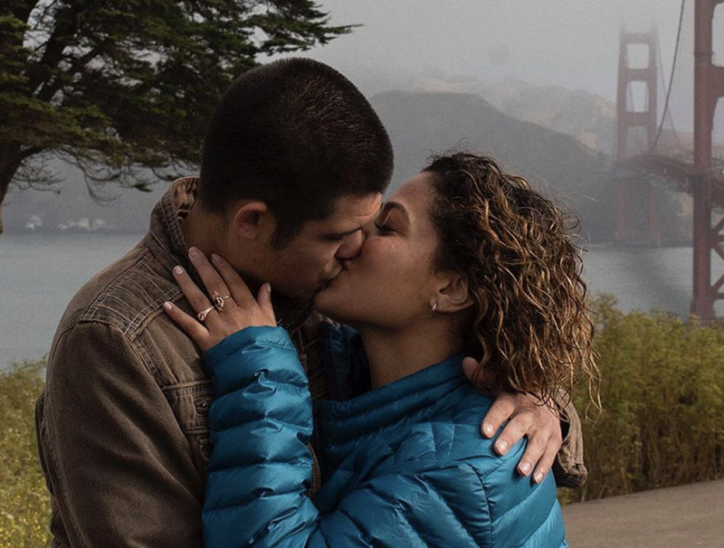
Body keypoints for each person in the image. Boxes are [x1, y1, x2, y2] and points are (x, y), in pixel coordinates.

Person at [36, 59, 582, 548]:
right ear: (253, 222)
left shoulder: (324, 301)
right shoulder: (117, 337)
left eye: (378, 227)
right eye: (339, 234)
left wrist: (539, 399)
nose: (356, 247)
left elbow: (459, 432)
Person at [168, 151, 596, 548]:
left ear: (450, 288)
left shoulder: (465, 468)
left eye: (387, 227)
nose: (352, 241)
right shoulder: (365, 385)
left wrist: (257, 374)